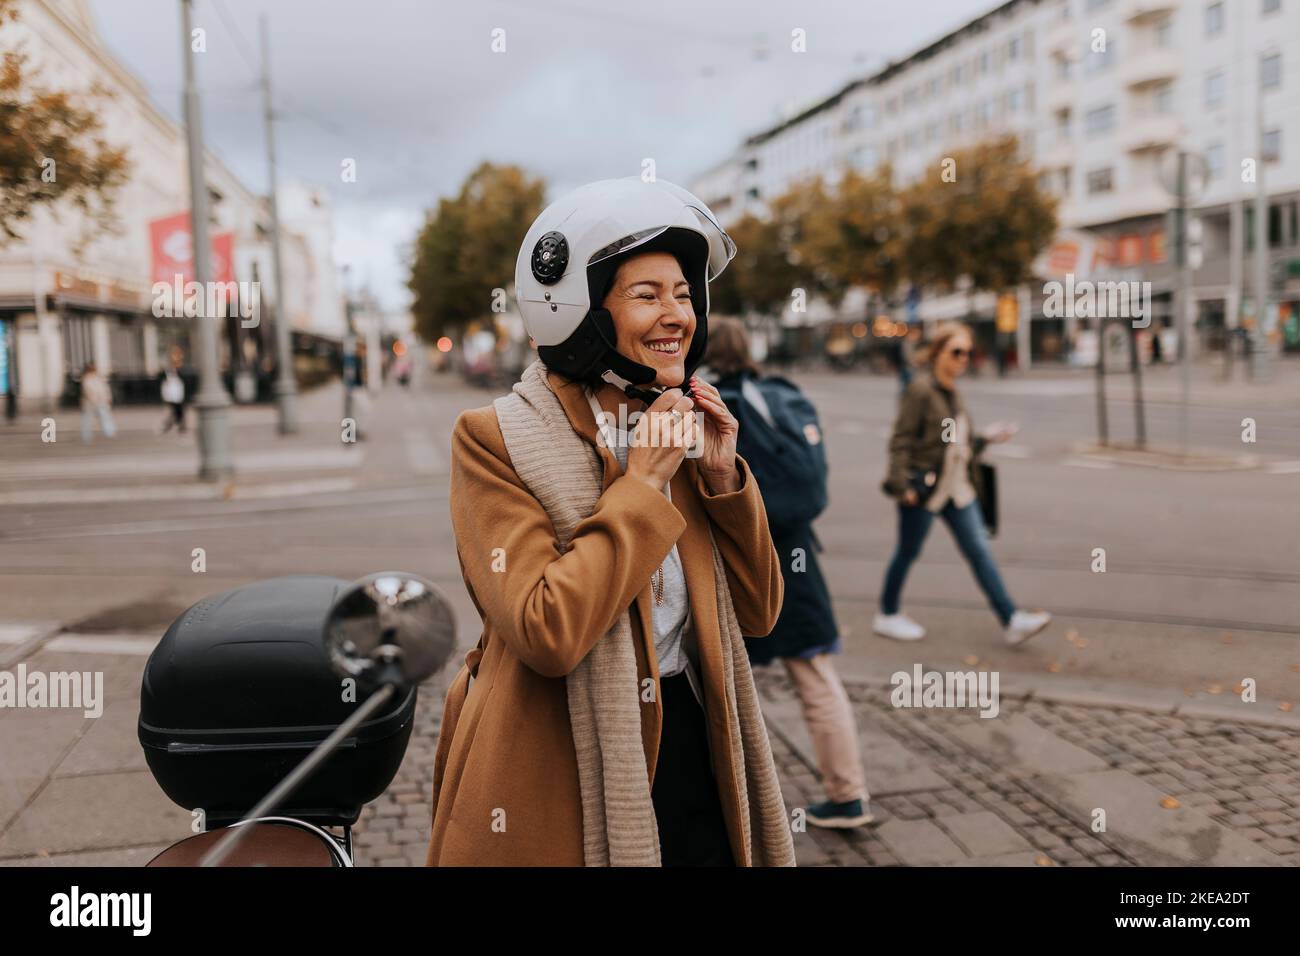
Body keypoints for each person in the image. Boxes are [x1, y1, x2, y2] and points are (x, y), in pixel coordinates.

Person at [427, 178, 795, 868]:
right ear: (576, 311)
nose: (676, 315)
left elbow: (761, 613)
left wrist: (722, 482)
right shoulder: (493, 437)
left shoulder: (673, 421)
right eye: (647, 294)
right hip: (562, 756)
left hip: (695, 744)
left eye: (685, 294)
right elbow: (545, 632)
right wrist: (645, 483)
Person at [709, 317, 873, 830]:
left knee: (725, 685)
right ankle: (848, 795)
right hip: (797, 558)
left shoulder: (709, 405)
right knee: (816, 676)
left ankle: (734, 804)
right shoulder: (779, 395)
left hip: (735, 559)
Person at [875, 322, 1051, 646]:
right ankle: (887, 614)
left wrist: (988, 438)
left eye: (968, 353)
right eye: (956, 352)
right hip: (925, 491)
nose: (963, 359)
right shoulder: (920, 391)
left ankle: (1011, 619)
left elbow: (959, 443)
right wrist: (902, 486)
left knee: (979, 551)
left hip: (957, 490)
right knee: (908, 551)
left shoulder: (954, 392)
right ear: (938, 353)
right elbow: (900, 440)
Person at [78, 363, 116, 442]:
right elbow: (88, 391)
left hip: (101, 401)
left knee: (105, 417)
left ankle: (110, 432)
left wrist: (107, 398)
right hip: (90, 403)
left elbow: (105, 389)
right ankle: (86, 436)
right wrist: (93, 399)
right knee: (88, 420)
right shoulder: (87, 379)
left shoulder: (98, 378)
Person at [158, 346, 187, 434]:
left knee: (178, 410)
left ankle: (177, 425)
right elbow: (162, 378)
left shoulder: (179, 369)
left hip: (178, 392)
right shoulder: (167, 370)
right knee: (173, 410)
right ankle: (171, 425)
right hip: (170, 393)